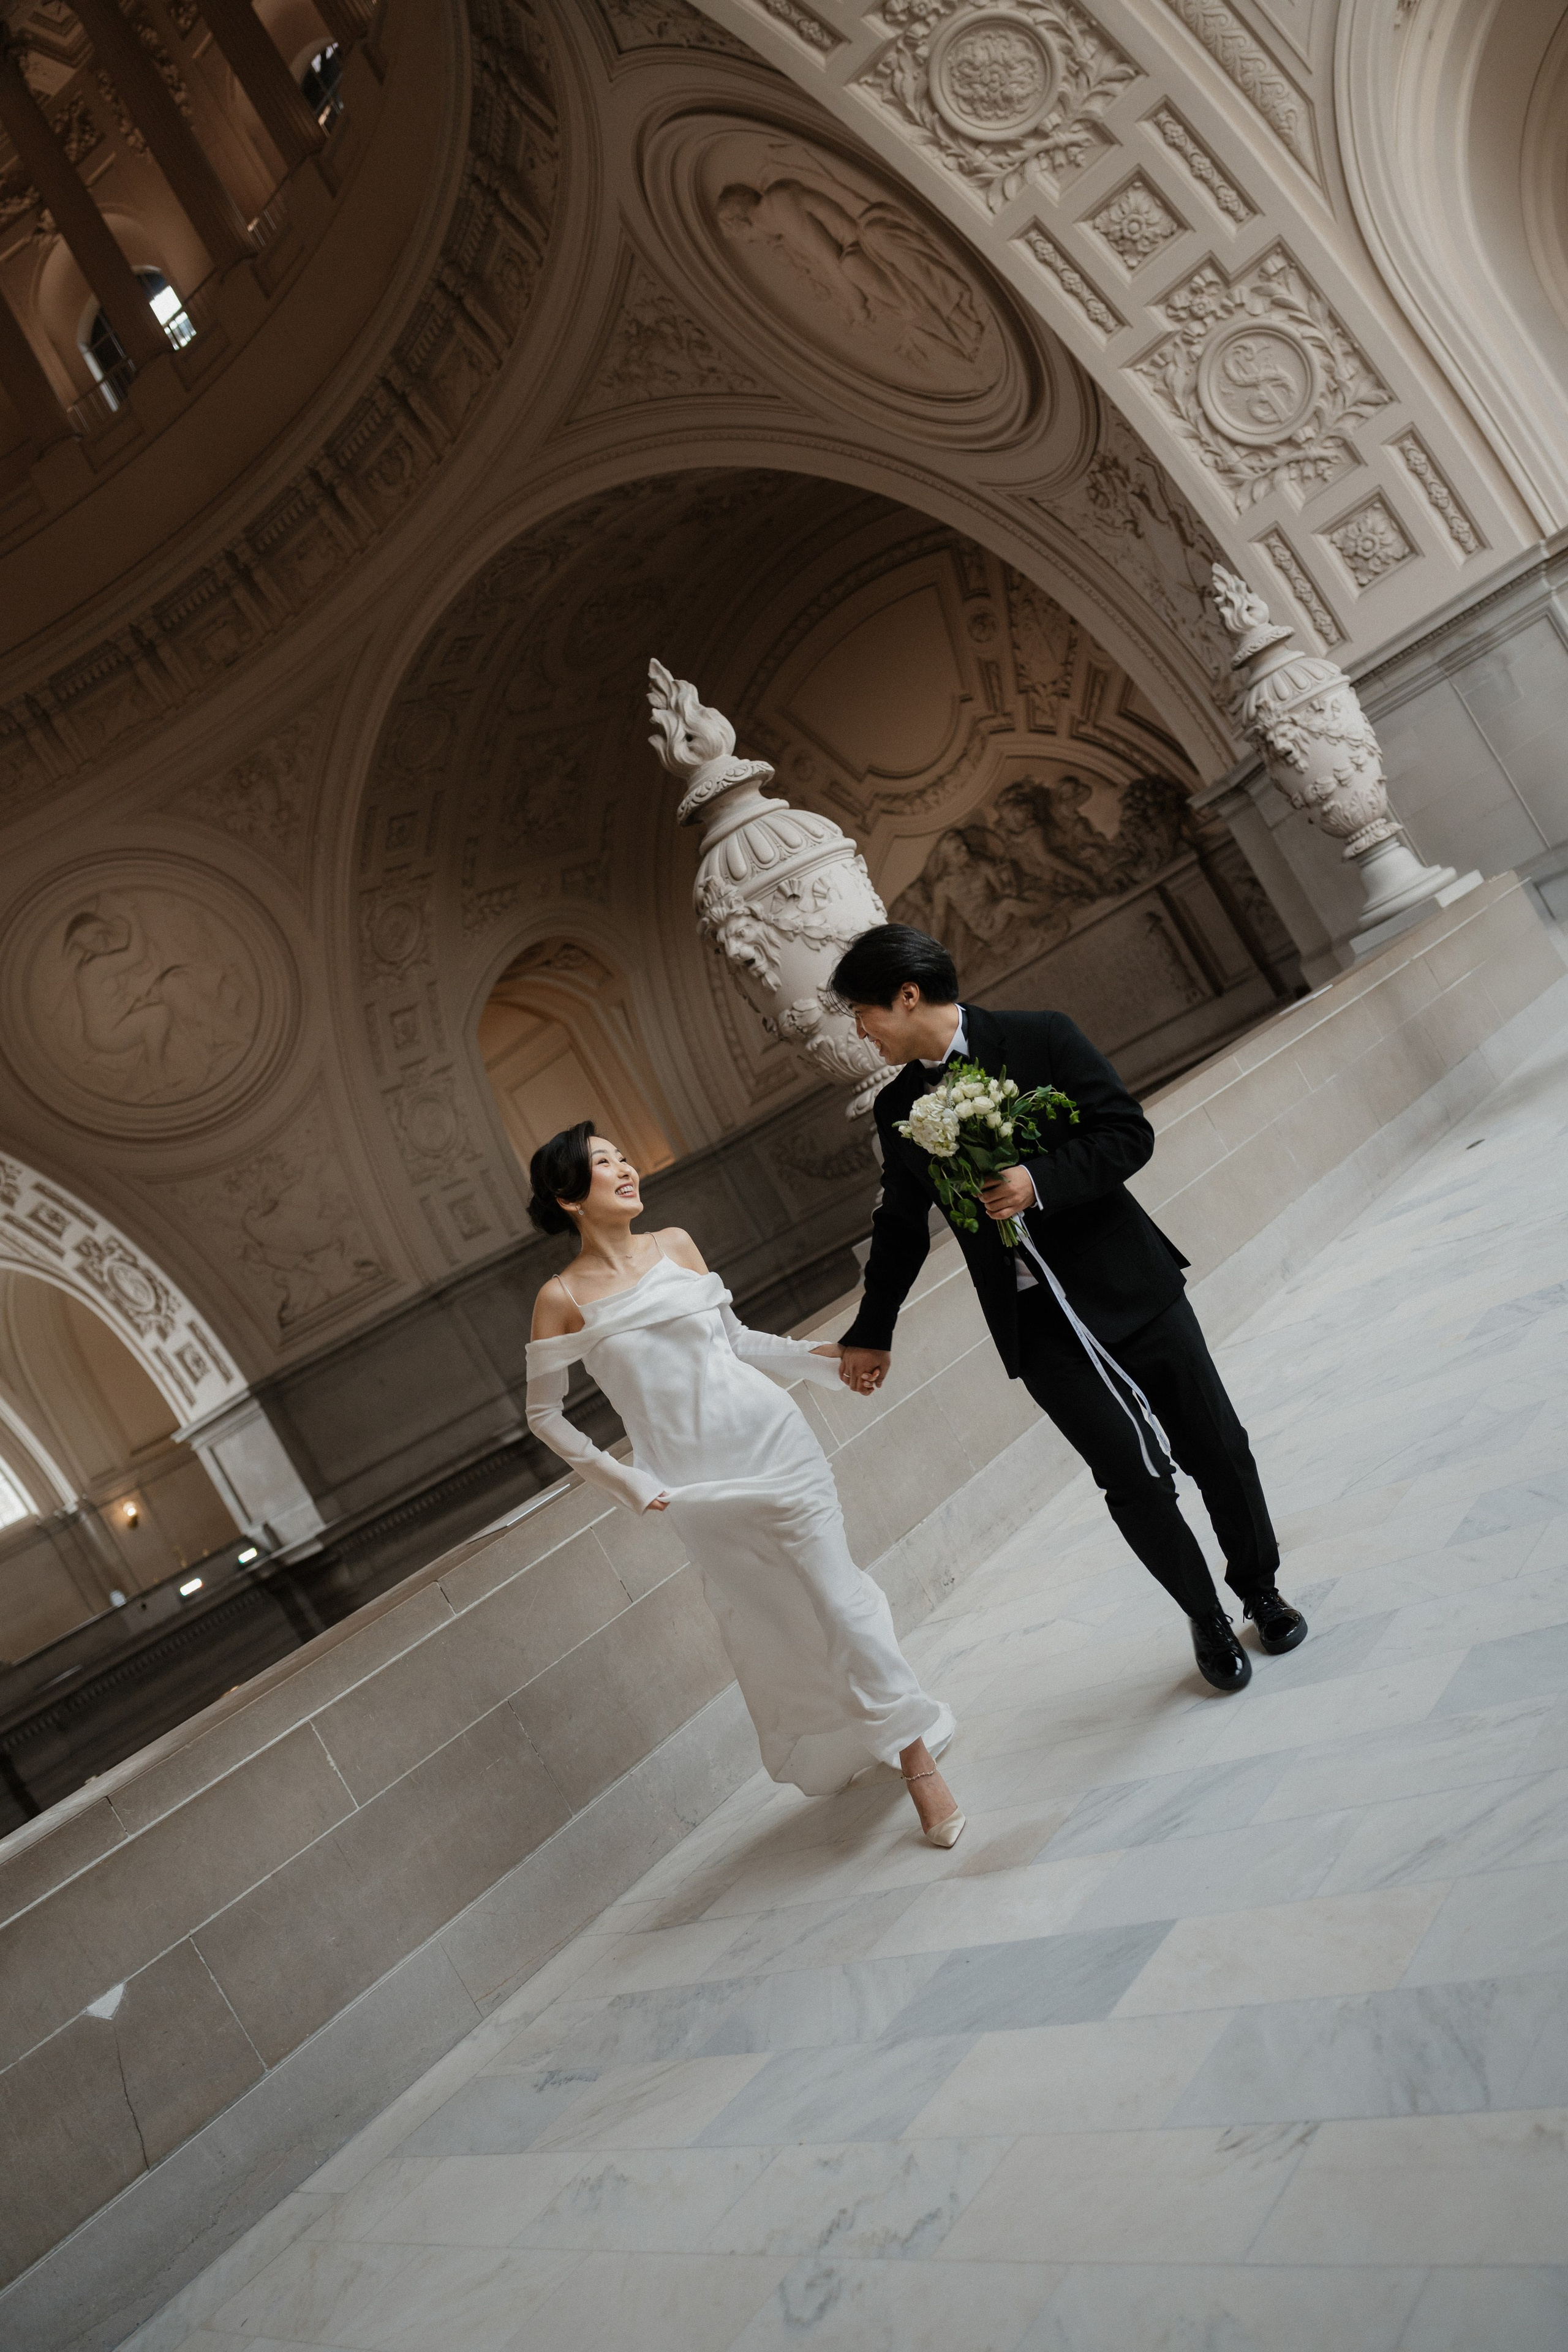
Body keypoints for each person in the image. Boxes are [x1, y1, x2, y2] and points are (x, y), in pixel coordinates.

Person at [829, 923, 1309, 1692]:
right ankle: (1206, 1619)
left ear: (907, 995)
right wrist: (871, 1331)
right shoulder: (897, 1108)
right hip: (1037, 1324)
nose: (859, 1030)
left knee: (1215, 1443)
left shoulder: (1040, 1037)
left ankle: (1259, 1589)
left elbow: (1127, 1133)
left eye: (863, 1012)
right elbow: (897, 1229)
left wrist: (1037, 1181)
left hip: (1130, 1286)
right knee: (1130, 1476)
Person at [523, 1121, 963, 1844]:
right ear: (569, 1198)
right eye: (605, 1164)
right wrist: (625, 1482)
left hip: (775, 1445)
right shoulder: (561, 1297)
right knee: (780, 1622)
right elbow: (544, 1415)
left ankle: (917, 1761)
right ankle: (855, 1739)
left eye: (625, 1158)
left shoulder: (677, 1244)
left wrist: (832, 1361)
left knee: (842, 1602)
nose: (627, 1170)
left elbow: (737, 1343)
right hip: (697, 1490)